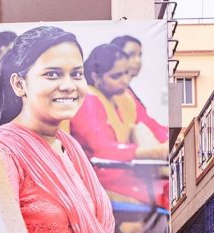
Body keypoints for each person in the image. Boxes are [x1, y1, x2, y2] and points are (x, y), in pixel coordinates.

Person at [0, 26, 118, 233]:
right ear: (19, 84)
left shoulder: (69, 146)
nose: (69, 86)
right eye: (52, 74)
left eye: (77, 74)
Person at [70, 44, 168, 208]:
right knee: (168, 194)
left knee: (171, 188)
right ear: (96, 76)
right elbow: (102, 149)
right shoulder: (87, 100)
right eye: (116, 76)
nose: (125, 80)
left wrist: (171, 140)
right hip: (102, 180)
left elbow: (151, 125)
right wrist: (156, 152)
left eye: (127, 73)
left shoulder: (125, 96)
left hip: (131, 174)